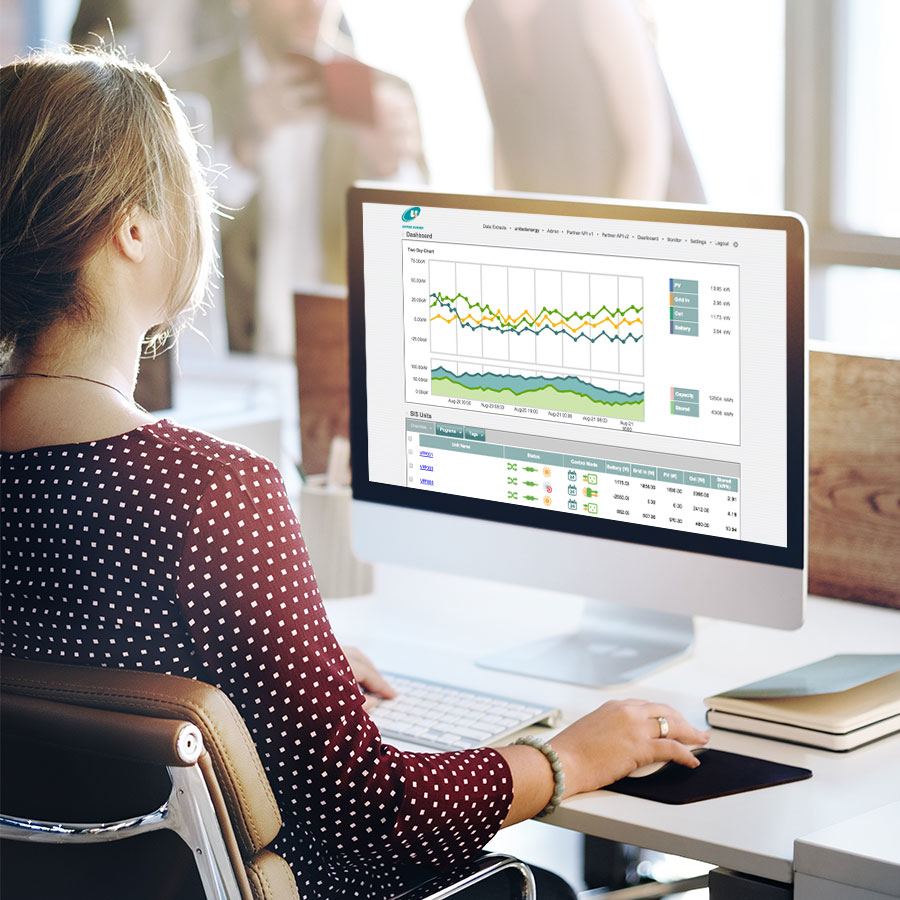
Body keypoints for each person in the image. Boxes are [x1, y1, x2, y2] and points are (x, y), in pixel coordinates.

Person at [0, 49, 709, 899]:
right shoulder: (211, 495)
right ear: (134, 228)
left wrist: (271, 650)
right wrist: (567, 758)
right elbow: (375, 814)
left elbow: (75, 652)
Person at [169, 0, 427, 355]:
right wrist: (243, 148)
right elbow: (167, 242)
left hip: (343, 356)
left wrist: (389, 170)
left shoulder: (386, 92)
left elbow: (418, 256)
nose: (315, 5)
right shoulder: (183, 91)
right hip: (224, 362)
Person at [466, 0, 705, 203]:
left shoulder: (598, 5)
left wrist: (610, 246)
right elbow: (506, 140)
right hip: (566, 228)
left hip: (650, 213)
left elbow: (648, 148)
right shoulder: (476, 19)